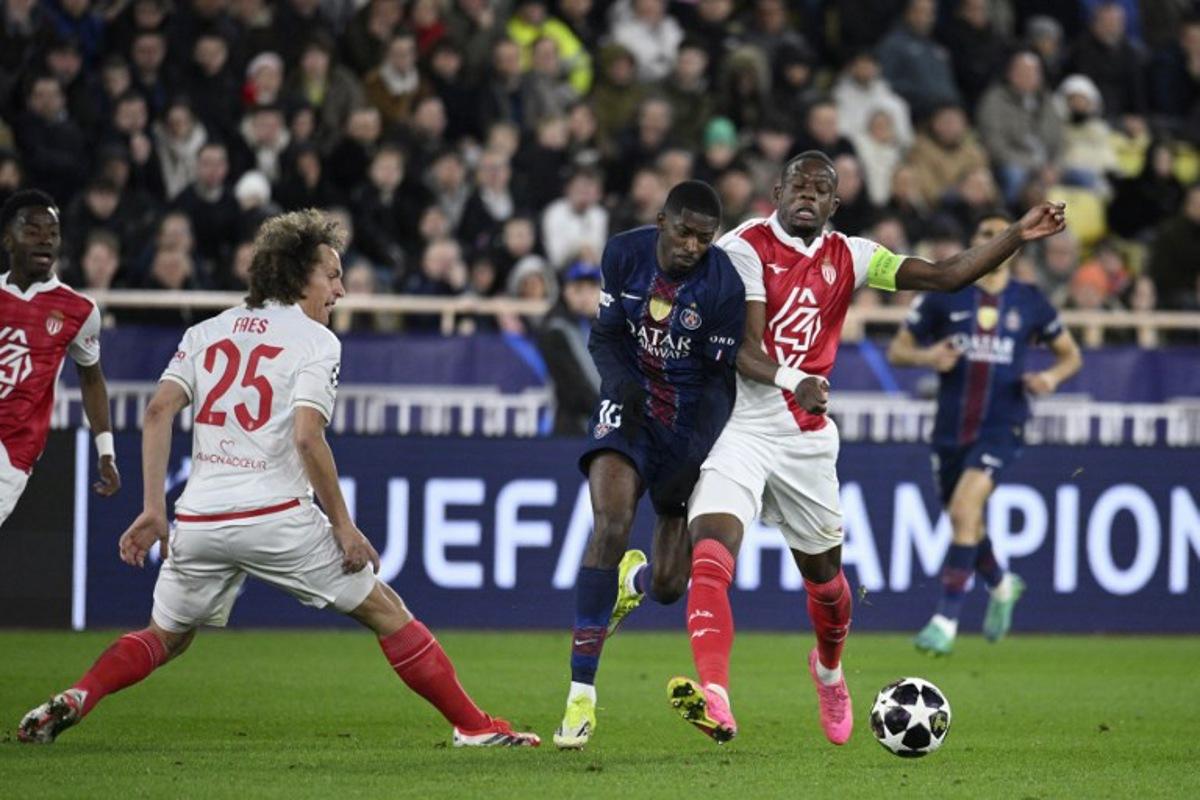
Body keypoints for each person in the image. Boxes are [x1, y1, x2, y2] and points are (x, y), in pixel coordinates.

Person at [17, 210, 538, 748]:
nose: (339, 289)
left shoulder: (205, 331)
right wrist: (343, 525)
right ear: (296, 276)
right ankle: (474, 727)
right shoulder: (316, 341)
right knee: (387, 610)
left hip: (198, 519)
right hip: (273, 517)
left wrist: (154, 509)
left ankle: (80, 695)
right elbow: (308, 437)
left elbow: (156, 413)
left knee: (164, 637)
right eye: (331, 275)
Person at [671, 151, 1067, 746]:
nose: (807, 194)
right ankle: (717, 697)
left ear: (835, 203)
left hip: (806, 443)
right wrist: (794, 381)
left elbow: (945, 275)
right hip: (743, 427)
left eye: (821, 188)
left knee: (827, 582)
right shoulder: (744, 248)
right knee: (711, 548)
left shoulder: (852, 256)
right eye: (798, 184)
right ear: (776, 190)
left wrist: (1016, 234)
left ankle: (829, 670)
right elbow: (744, 351)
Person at [554, 180, 745, 750]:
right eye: (684, 231)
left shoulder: (723, 285)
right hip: (627, 409)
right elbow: (605, 337)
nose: (692, 245)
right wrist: (620, 387)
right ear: (662, 220)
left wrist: (695, 450)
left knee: (668, 586)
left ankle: (631, 583)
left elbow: (719, 383)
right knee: (610, 524)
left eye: (704, 238)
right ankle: (580, 698)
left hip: (686, 425)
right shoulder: (624, 254)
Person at [887, 213, 1083, 656]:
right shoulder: (944, 297)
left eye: (1002, 235)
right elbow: (899, 349)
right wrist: (929, 356)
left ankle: (945, 620)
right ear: (975, 243)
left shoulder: (1030, 301)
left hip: (1002, 425)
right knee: (967, 521)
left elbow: (1071, 355)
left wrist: (1050, 378)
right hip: (950, 429)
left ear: (1015, 247)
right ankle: (1001, 583)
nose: (994, 241)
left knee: (964, 509)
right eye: (985, 235)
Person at [1, 190, 120, 530]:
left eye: (52, 233)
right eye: (33, 231)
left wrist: (106, 450)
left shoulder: (78, 310)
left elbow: (91, 378)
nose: (45, 241)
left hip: (11, 451)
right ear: (8, 239)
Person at [537, 260, 602, 436]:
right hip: (573, 427)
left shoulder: (606, 326)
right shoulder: (555, 330)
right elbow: (574, 389)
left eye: (592, 288)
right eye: (578, 288)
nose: (585, 295)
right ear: (565, 291)